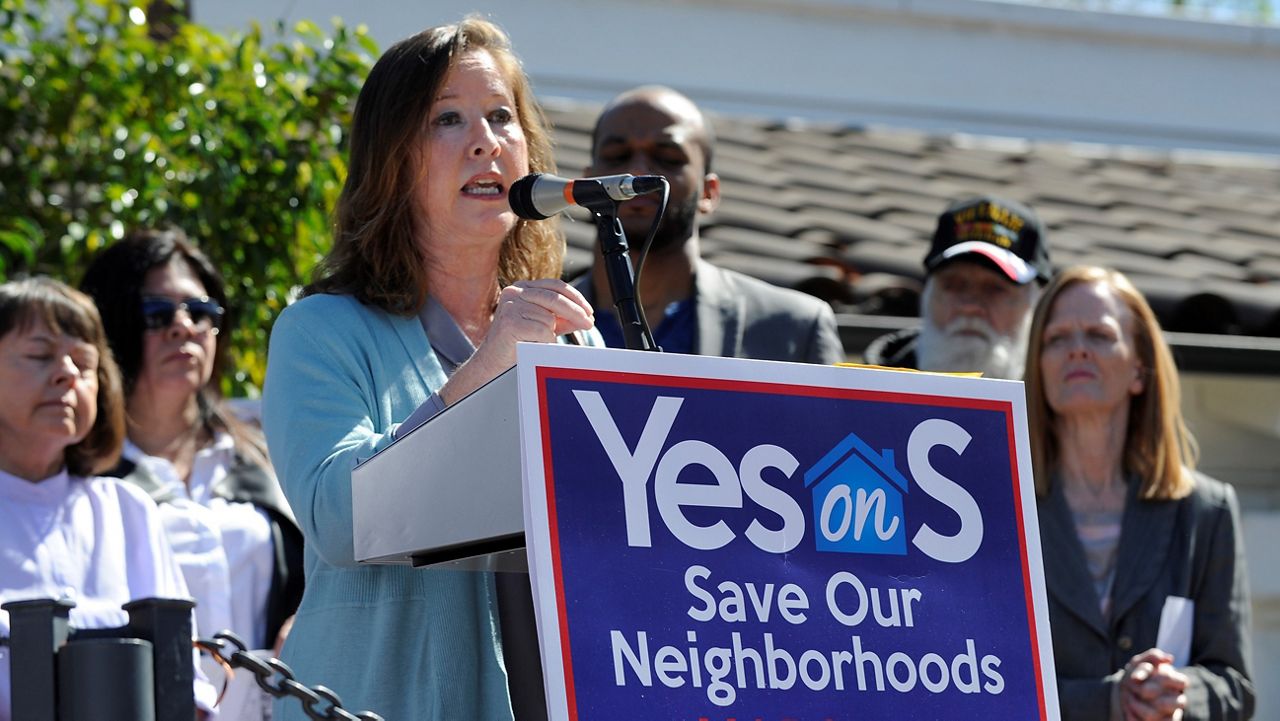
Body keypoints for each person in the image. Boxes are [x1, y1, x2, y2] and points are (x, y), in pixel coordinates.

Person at [261, 17, 598, 721]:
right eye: (448, 118)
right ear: (392, 161)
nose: (485, 140)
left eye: (502, 117)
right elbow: (339, 522)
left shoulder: (572, 341)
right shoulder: (319, 330)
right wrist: (492, 361)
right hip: (368, 701)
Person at [81, 229, 303, 718]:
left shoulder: (264, 453)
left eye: (200, 312)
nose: (183, 327)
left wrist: (305, 618)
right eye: (157, 314)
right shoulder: (79, 474)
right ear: (112, 326)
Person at [1025, 266, 1254, 721]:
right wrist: (1107, 701)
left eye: (1099, 334)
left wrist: (1176, 690)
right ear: (1040, 369)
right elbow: (986, 685)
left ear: (1139, 369)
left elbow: (1234, 685)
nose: (1076, 350)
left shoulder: (1205, 511)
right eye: (1056, 339)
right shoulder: (1000, 509)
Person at [0, 277, 215, 719]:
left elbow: (182, 684)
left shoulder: (127, 511)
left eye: (83, 364)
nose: (65, 375)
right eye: (40, 355)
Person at [572, 85, 844, 364]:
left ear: (708, 192)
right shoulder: (538, 324)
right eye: (617, 156)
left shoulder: (796, 328)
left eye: (668, 158)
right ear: (586, 185)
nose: (638, 171)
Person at [864, 194, 1051, 379]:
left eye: (995, 289)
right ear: (929, 295)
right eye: (953, 285)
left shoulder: (1067, 404)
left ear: (1036, 305)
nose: (969, 306)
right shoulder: (864, 396)